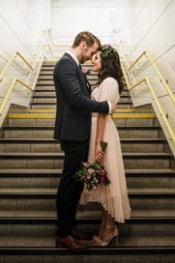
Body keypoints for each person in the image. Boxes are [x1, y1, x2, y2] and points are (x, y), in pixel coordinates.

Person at [53, 31, 116, 252]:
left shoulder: (73, 66)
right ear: (82, 44)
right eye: (90, 51)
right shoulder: (65, 65)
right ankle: (63, 234)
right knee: (69, 184)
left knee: (76, 182)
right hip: (72, 133)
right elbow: (77, 99)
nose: (91, 57)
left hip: (79, 132)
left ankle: (69, 228)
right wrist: (105, 106)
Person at [80, 44, 131, 246]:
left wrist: (98, 144)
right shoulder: (107, 82)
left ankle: (109, 228)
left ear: (106, 62)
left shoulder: (109, 82)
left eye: (97, 57)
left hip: (103, 135)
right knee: (103, 183)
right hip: (101, 131)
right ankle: (105, 226)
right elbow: (109, 110)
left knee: (107, 183)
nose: (93, 59)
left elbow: (103, 114)